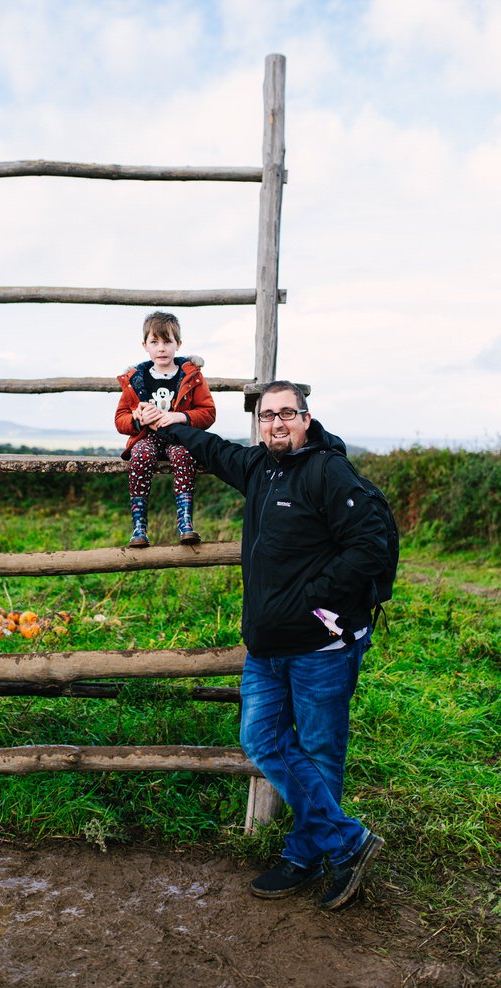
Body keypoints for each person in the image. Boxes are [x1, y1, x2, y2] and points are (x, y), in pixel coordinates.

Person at [153, 379, 387, 911]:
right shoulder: (259, 466)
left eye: (286, 414)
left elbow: (369, 546)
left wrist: (313, 598)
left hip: (320, 646)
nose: (276, 423)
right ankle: (347, 842)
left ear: (306, 418)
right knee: (260, 738)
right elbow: (215, 450)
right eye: (267, 415)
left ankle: (306, 855)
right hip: (267, 646)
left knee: (320, 751)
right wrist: (174, 425)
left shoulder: (328, 471)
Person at [115, 311, 216, 547]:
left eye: (167, 341)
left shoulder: (191, 376)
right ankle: (139, 527)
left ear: (178, 344)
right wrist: (138, 419)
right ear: (145, 346)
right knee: (141, 455)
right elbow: (120, 419)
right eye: (154, 342)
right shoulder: (135, 380)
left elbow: (208, 413)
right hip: (147, 438)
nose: (161, 348)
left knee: (184, 455)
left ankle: (185, 523)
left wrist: (179, 416)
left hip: (178, 438)